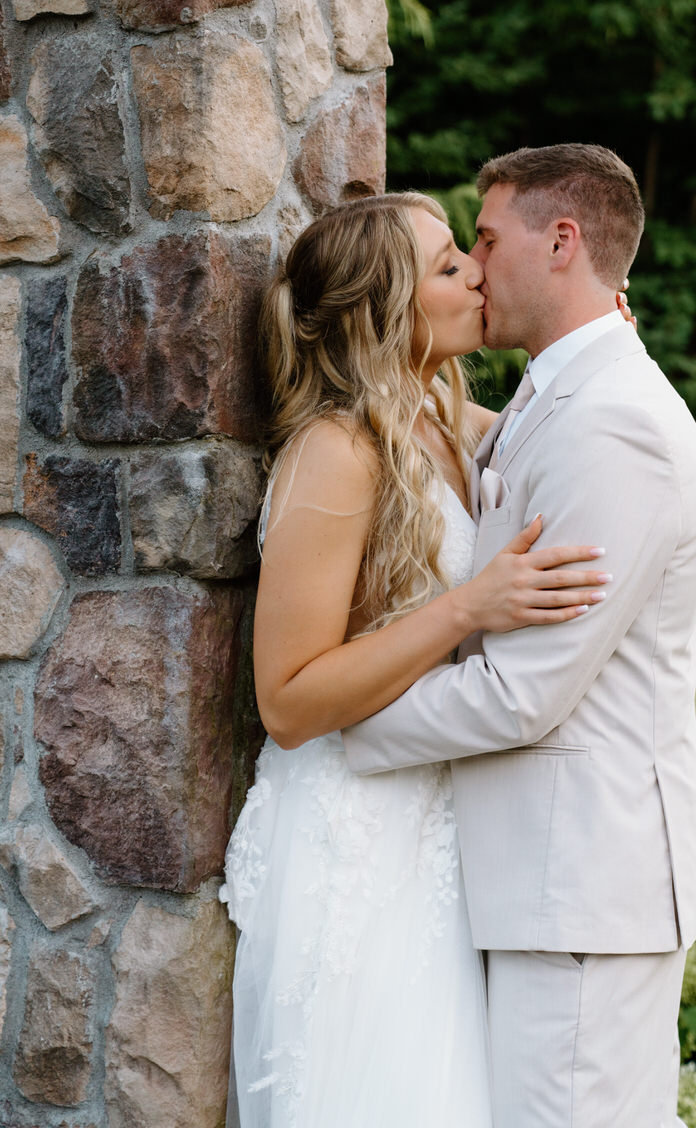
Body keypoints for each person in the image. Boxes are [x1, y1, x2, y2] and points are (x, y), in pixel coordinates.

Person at [343, 145, 696, 1128]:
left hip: (581, 893)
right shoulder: (563, 399)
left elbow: (524, 691)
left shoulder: (613, 426)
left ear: (562, 243)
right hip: (552, 885)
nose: (474, 263)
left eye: (486, 237)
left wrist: (349, 728)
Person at [219, 190, 612, 1128]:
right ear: (384, 312)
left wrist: (600, 336)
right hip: (353, 837)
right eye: (448, 266)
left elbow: (567, 425)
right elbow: (287, 698)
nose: (477, 272)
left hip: (442, 827)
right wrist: (466, 610)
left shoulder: (447, 414)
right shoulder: (334, 449)